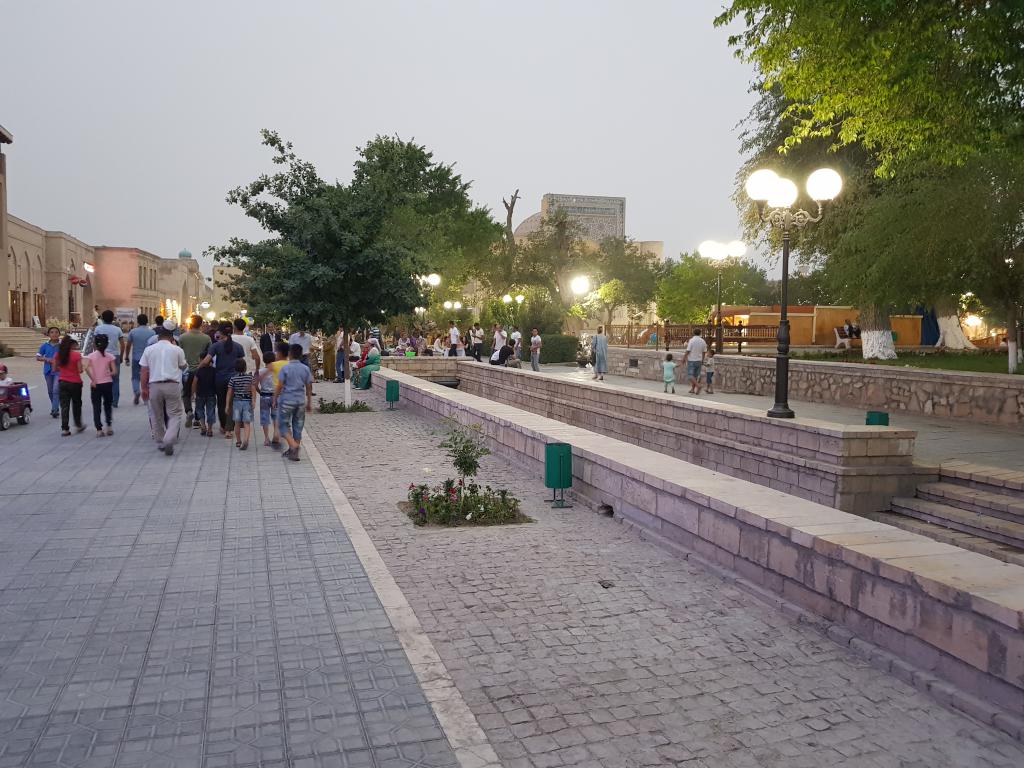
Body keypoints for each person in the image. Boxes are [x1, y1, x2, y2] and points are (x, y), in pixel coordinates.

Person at [139, 322, 187, 456]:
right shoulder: (177, 350)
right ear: (172, 337)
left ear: (158, 337)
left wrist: (143, 388)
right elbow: (183, 366)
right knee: (175, 414)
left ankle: (160, 441)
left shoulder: (149, 350)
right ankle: (169, 438)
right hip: (172, 384)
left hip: (154, 385)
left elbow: (143, 370)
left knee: (156, 414)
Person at [198, 323, 243, 438]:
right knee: (231, 403)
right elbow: (241, 363)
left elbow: (206, 361)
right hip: (234, 378)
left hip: (219, 378)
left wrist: (198, 368)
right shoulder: (238, 346)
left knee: (221, 403)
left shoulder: (216, 346)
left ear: (221, 333)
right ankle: (229, 430)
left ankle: (223, 426)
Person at [273, 343, 313, 461]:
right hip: (300, 400)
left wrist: (275, 398)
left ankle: (293, 445)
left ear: (289, 354)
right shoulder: (305, 368)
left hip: (287, 400)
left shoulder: (285, 368)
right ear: (301, 355)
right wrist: (309, 402)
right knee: (298, 426)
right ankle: (294, 452)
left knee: (282, 424)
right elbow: (309, 386)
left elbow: (279, 386)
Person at [179, 315, 211, 424]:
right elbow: (210, 355)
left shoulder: (183, 337)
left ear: (190, 324)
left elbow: (179, 353)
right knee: (199, 394)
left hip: (187, 370)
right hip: (202, 370)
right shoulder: (206, 338)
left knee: (186, 393)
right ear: (201, 324)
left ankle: (188, 411)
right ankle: (198, 417)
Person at [84, 333, 117, 437]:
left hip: (96, 385)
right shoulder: (110, 356)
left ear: (95, 344)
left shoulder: (90, 356)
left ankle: (99, 429)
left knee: (96, 406)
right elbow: (114, 371)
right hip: (107, 383)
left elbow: (87, 368)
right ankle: (109, 426)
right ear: (106, 344)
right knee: (107, 405)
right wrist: (108, 373)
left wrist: (93, 380)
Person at [55, 335, 86, 436]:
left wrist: (64, 371)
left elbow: (55, 369)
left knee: (64, 406)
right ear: (72, 344)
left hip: (63, 382)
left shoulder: (58, 355)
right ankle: (78, 425)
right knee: (76, 404)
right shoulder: (76, 356)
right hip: (75, 383)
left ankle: (65, 429)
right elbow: (80, 370)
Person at [93, 310, 125, 407]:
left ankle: (106, 399)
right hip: (115, 355)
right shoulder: (117, 330)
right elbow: (122, 344)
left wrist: (96, 354)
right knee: (115, 380)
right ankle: (114, 401)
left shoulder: (98, 329)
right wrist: (121, 356)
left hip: (102, 355)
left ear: (102, 318)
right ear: (113, 318)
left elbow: (94, 343)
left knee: (102, 378)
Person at [124, 314, 155, 406]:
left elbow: (128, 345)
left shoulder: (133, 332)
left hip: (136, 358)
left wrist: (126, 357)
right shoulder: (152, 333)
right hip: (148, 359)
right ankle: (146, 398)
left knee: (135, 377)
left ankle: (137, 391)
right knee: (147, 378)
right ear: (147, 321)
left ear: (138, 321)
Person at [225, 358, 255, 450]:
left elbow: (229, 392)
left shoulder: (233, 378)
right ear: (245, 367)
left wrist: (227, 405)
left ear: (235, 368)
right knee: (246, 423)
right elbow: (253, 390)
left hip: (237, 402)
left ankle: (238, 441)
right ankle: (246, 440)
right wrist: (253, 401)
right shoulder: (250, 377)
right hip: (247, 402)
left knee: (237, 423)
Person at [36, 326, 62, 418]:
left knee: (56, 389)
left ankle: (54, 410)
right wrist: (46, 359)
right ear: (48, 334)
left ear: (59, 334)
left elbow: (68, 355)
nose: (54, 334)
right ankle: (55, 406)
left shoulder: (62, 345)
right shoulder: (45, 345)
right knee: (50, 390)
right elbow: (38, 357)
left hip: (59, 371)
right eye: (52, 332)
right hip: (48, 370)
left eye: (56, 332)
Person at [191, 360, 217, 437]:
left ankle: (203, 427)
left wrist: (193, 393)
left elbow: (194, 383)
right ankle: (210, 429)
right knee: (211, 411)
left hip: (200, 394)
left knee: (200, 410)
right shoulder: (214, 370)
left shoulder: (198, 371)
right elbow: (216, 382)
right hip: (211, 394)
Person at [257, 351, 277, 446]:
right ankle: (275, 435)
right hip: (275, 396)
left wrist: (259, 391)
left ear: (264, 360)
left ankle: (266, 438)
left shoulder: (260, 371)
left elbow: (255, 384)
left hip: (264, 395)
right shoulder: (276, 371)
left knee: (265, 418)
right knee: (275, 417)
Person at [685, 328, 708, 394]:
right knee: (695, 376)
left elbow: (688, 350)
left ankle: (698, 386)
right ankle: (693, 389)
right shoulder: (703, 341)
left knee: (690, 375)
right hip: (699, 360)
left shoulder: (691, 340)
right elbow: (704, 352)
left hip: (692, 360)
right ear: (700, 333)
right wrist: (702, 360)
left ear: (693, 333)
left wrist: (684, 358)